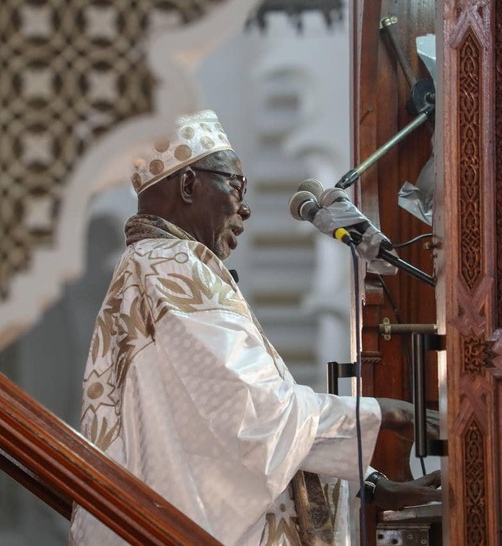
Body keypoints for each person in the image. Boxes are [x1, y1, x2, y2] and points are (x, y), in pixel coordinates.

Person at [69, 109, 440, 546]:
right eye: (235, 186)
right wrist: (392, 413)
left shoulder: (147, 267)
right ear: (189, 185)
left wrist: (373, 484)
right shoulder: (175, 266)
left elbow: (211, 435)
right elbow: (257, 418)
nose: (244, 208)